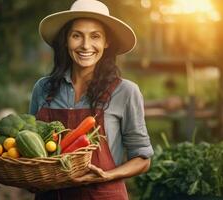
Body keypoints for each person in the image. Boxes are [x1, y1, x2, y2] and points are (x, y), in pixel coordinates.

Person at [29, 0, 154, 199]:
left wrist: (105, 175)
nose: (86, 45)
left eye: (95, 36)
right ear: (66, 40)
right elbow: (32, 149)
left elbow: (143, 158)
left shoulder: (125, 92)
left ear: (106, 42)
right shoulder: (43, 89)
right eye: (77, 35)